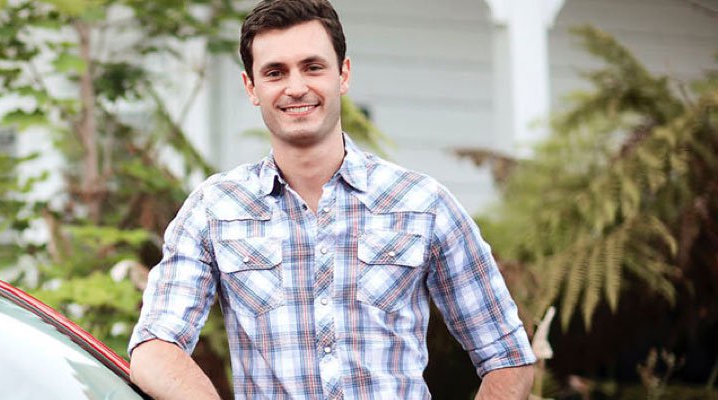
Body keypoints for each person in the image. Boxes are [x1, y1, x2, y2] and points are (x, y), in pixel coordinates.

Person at [126, 0, 537, 398]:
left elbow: (508, 357)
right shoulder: (214, 210)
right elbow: (155, 347)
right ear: (251, 87)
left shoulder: (422, 204)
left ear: (343, 74)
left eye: (312, 67)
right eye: (275, 72)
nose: (296, 87)